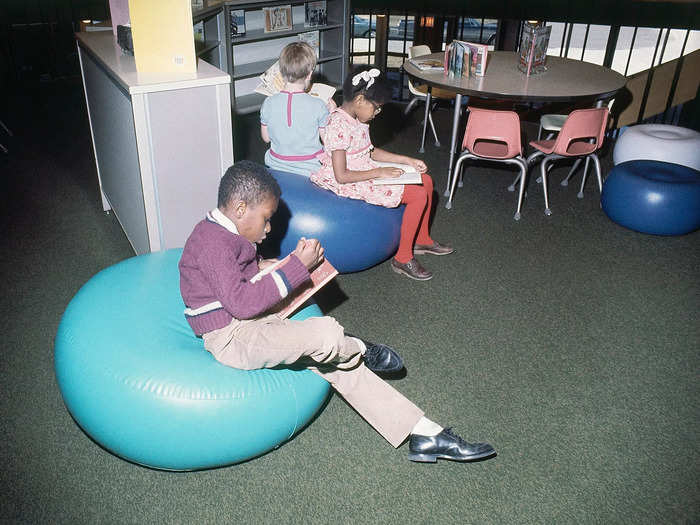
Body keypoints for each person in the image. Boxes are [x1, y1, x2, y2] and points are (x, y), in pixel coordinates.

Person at [179, 160, 496, 463]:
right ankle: (360, 347)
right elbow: (241, 302)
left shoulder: (227, 232)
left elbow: (232, 275)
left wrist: (266, 265)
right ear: (239, 209)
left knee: (335, 361)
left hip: (247, 322)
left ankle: (424, 432)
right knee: (328, 334)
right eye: (266, 218)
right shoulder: (213, 243)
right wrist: (294, 270)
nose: (269, 227)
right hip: (231, 337)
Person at [310, 66, 452, 281]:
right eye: (376, 108)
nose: (378, 113)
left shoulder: (359, 119)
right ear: (359, 100)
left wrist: (407, 160)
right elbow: (341, 175)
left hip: (366, 168)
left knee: (427, 181)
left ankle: (422, 239)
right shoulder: (338, 124)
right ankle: (402, 258)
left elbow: (370, 150)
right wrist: (379, 173)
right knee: (418, 195)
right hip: (351, 179)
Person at [260, 42, 334, 177]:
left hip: (276, 166)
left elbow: (266, 138)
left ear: (281, 72)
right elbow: (328, 141)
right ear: (310, 74)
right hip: (310, 170)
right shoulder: (318, 105)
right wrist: (332, 114)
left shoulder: (268, 103)